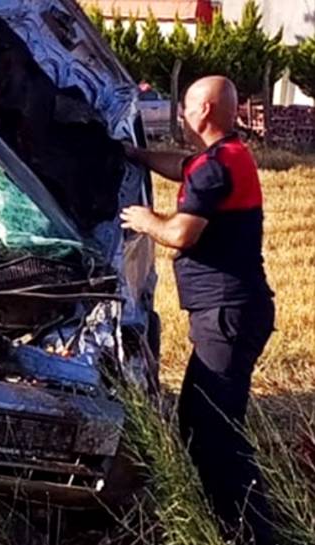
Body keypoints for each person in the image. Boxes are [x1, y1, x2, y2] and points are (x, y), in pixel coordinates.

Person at [121, 76, 275, 545]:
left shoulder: (214, 168)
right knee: (199, 419)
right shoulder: (227, 156)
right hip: (230, 312)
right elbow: (181, 166)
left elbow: (183, 234)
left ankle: (255, 531)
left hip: (226, 315)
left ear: (204, 111)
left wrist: (144, 219)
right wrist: (134, 155)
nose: (181, 115)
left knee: (214, 429)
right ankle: (235, 524)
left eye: (186, 107)